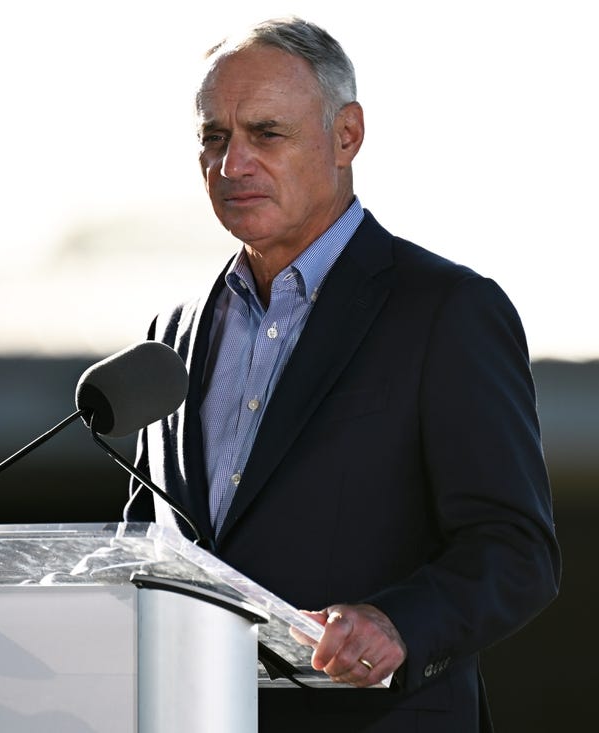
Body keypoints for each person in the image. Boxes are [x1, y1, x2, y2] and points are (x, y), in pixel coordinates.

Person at [129, 15, 562, 732]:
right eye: (213, 137)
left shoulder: (446, 312)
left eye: (266, 133)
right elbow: (151, 547)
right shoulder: (170, 338)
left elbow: (517, 551)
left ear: (346, 135)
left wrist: (398, 622)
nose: (231, 164)